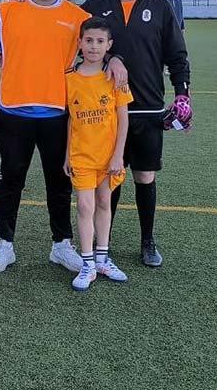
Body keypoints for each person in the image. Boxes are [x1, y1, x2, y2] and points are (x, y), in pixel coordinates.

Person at [0, 0, 128, 274]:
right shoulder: (7, 11)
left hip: (59, 115)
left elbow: (99, 43)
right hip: (13, 112)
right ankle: (4, 243)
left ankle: (61, 244)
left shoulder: (77, 16)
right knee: (10, 179)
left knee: (59, 182)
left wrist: (115, 59)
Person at [81, 0, 191, 267]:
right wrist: (110, 57)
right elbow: (71, 37)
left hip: (147, 109)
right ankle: (104, 242)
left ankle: (147, 241)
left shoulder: (160, 7)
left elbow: (177, 56)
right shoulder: (94, 7)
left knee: (145, 176)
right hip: (106, 111)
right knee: (109, 178)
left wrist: (182, 94)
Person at [63, 17, 132, 291]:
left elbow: (123, 119)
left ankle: (103, 258)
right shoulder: (70, 78)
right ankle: (87, 263)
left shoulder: (116, 78)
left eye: (100, 41)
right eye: (89, 40)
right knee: (84, 206)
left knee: (104, 202)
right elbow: (71, 119)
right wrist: (67, 154)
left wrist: (118, 155)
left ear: (109, 45)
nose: (94, 46)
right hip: (81, 155)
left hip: (108, 156)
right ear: (80, 43)